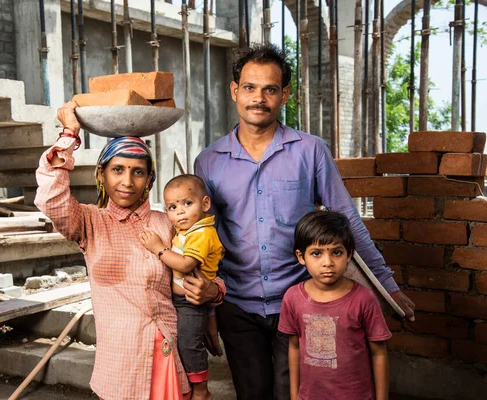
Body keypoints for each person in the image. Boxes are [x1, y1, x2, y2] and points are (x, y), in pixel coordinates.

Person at [194, 43, 415, 399]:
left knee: (297, 393)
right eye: (249, 87)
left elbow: (348, 221)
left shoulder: (310, 150)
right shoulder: (209, 161)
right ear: (235, 91)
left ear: (285, 94)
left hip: (301, 302)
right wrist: (204, 308)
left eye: (270, 89)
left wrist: (386, 286)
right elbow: (204, 238)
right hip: (236, 304)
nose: (258, 98)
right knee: (252, 394)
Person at [34, 101, 225, 400]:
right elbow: (50, 199)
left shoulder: (169, 224)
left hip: (171, 356)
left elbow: (206, 272)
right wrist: (69, 134)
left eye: (138, 172)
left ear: (149, 179)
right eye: (118, 170)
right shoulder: (88, 222)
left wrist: (213, 291)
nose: (127, 181)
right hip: (121, 366)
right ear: (102, 174)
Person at [279, 210, 391, 400]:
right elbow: (294, 347)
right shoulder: (293, 298)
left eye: (337, 252)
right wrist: (294, 395)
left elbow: (379, 353)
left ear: (349, 254)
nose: (328, 263)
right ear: (300, 256)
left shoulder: (363, 299)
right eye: (316, 253)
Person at [140, 174, 224, 400]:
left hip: (191, 303)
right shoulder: (187, 231)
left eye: (188, 203)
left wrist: (158, 248)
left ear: (205, 204)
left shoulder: (202, 233)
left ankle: (200, 390)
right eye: (172, 207)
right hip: (178, 301)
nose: (180, 211)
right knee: (180, 344)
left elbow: (186, 264)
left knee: (190, 344)